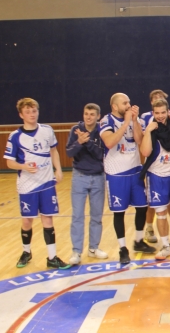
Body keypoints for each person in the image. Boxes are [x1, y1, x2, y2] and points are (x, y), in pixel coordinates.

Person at [4, 98, 70, 269]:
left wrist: (59, 169)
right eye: (27, 112)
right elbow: (9, 163)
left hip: (47, 182)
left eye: (34, 111)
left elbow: (54, 151)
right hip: (27, 185)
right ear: (21, 115)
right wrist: (23, 166)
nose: (32, 114)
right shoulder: (15, 137)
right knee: (27, 221)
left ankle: (52, 257)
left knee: (48, 218)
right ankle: (26, 252)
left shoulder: (47, 131)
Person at [100, 93, 156, 264]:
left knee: (142, 207)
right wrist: (125, 123)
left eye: (129, 102)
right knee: (119, 212)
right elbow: (109, 142)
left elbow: (139, 141)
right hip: (117, 174)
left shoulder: (132, 119)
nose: (129, 105)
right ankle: (123, 248)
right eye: (125, 103)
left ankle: (138, 241)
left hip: (135, 171)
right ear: (115, 106)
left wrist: (135, 121)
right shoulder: (106, 121)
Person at [139, 99, 170, 260]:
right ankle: (166, 246)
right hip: (157, 177)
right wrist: (147, 131)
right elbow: (145, 152)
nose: (160, 116)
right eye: (157, 113)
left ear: (168, 112)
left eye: (163, 112)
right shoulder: (151, 129)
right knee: (161, 214)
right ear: (153, 113)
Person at [66, 103, 108, 265]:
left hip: (98, 177)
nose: (88, 117)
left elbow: (100, 155)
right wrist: (78, 142)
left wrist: (87, 142)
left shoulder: (102, 130)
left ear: (98, 116)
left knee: (96, 216)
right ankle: (76, 252)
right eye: (86, 114)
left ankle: (93, 248)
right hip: (79, 177)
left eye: (92, 114)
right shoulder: (75, 130)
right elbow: (69, 152)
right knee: (77, 216)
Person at [139, 90, 170, 245]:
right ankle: (149, 227)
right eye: (155, 98)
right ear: (151, 103)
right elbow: (142, 137)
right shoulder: (145, 118)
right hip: (153, 163)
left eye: (161, 98)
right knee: (152, 201)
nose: (158, 100)